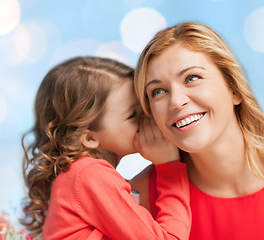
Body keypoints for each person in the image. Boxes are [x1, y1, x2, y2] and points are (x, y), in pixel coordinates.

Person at [133, 21, 264, 239]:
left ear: (234, 88)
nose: (176, 102)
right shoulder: (139, 196)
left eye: (191, 78)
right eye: (158, 91)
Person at [21, 56, 191, 240]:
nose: (147, 117)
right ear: (89, 137)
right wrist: (169, 166)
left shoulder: (78, 176)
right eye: (133, 114)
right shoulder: (90, 174)